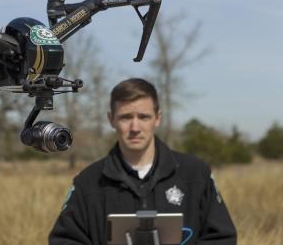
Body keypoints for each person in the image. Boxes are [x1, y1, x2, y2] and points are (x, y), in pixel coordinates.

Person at [49, 78, 236, 245]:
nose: (135, 127)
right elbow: (65, 240)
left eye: (143, 117)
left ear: (157, 118)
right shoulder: (88, 182)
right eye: (125, 117)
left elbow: (221, 238)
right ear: (111, 119)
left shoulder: (195, 174)